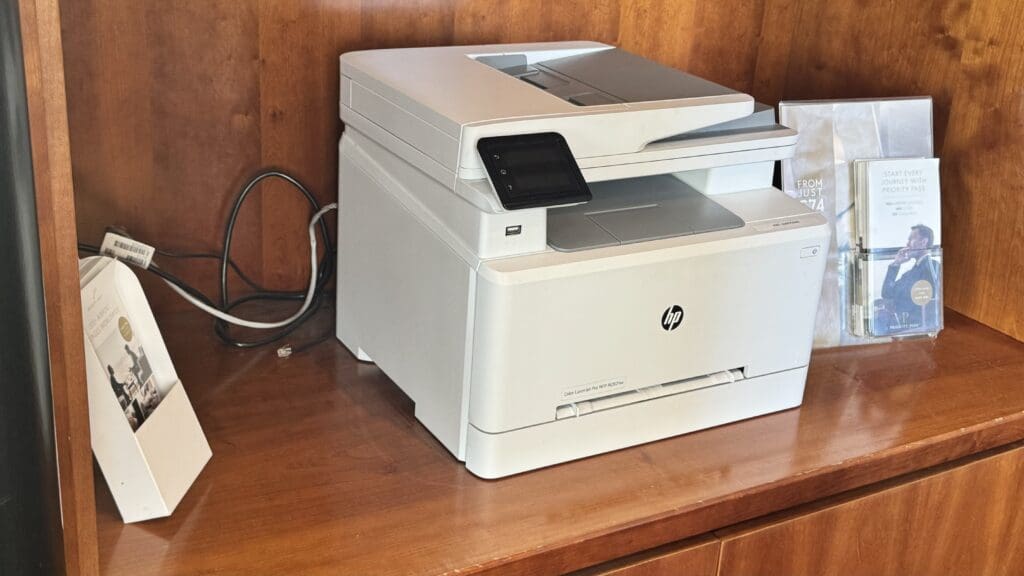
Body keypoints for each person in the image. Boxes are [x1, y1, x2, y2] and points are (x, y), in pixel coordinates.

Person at [873, 224, 940, 334]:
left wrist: (894, 315)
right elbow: (887, 293)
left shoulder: (932, 267)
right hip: (899, 324)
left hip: (911, 328)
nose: (907, 244)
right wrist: (896, 263)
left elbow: (928, 308)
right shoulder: (910, 273)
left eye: (911, 239)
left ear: (923, 242)